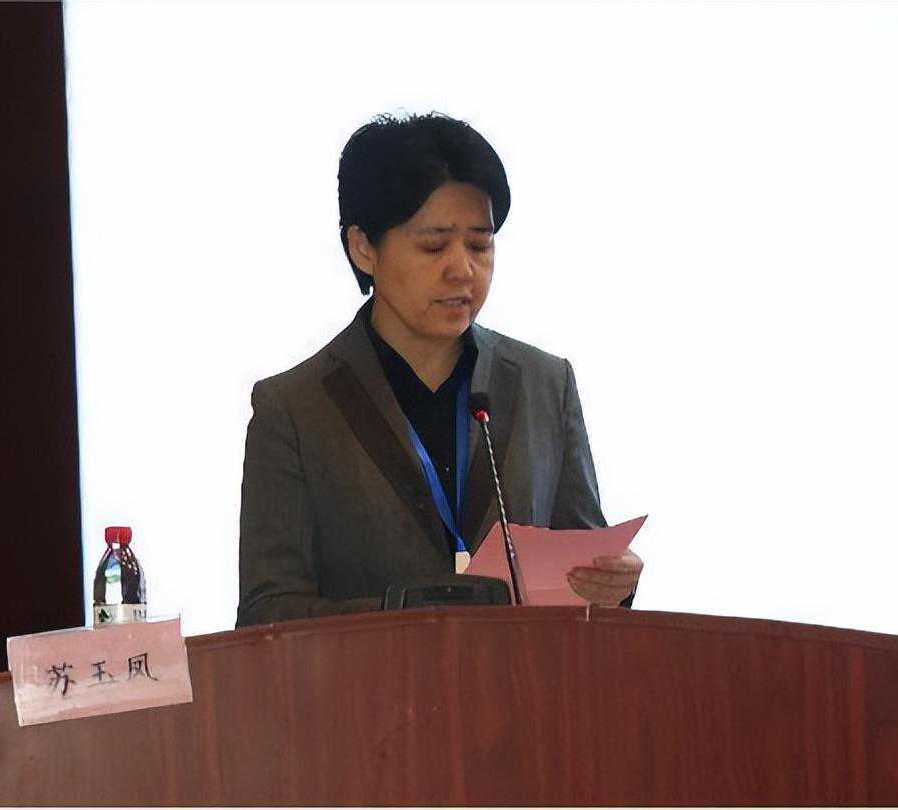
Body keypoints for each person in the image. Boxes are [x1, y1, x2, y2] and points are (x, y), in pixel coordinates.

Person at [236, 112, 643, 627]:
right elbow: (269, 614)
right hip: (372, 680)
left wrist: (612, 585)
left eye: (480, 244)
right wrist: (413, 614)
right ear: (363, 247)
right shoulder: (294, 408)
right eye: (434, 246)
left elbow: (583, 572)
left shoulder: (545, 384)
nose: (462, 269)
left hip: (521, 678)